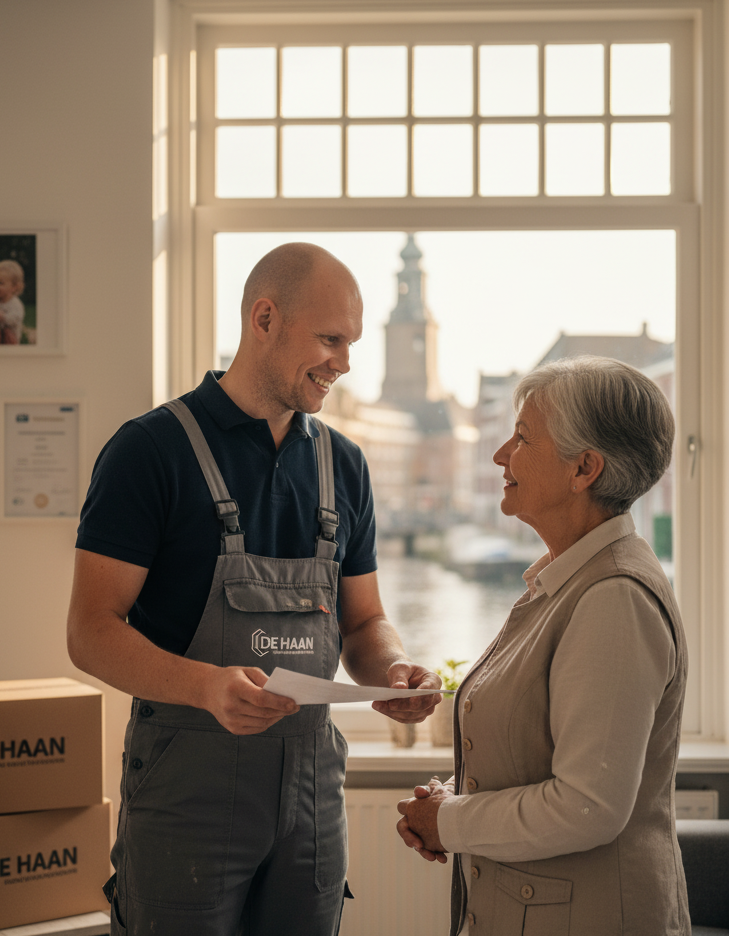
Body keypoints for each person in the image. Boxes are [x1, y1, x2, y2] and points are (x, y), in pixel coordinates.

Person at [67, 242, 442, 936]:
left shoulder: (343, 465)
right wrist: (206, 687)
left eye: (351, 342)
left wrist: (390, 669)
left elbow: (363, 623)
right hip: (187, 790)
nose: (345, 362)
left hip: (312, 796)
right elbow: (90, 632)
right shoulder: (149, 451)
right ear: (263, 318)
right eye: (329, 339)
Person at [396, 355, 689, 936]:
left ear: (584, 468)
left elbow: (587, 805)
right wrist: (445, 800)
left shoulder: (614, 599)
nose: (500, 454)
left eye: (523, 438)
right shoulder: (563, 581)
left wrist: (449, 822)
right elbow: (542, 751)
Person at [0, 259, 25, 344]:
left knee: (7, 333)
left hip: (10, 340)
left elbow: (16, 318)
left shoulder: (15, 304)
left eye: (1, 283)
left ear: (14, 287)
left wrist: (3, 317)